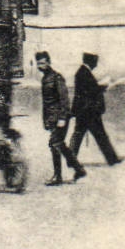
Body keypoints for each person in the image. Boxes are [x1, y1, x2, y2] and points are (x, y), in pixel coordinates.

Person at [36, 51, 86, 186]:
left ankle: (60, 176)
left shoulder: (57, 77)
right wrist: (46, 121)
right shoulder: (45, 78)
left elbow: (64, 99)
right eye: (38, 63)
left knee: (55, 144)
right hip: (52, 118)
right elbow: (46, 104)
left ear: (48, 62)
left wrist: (62, 118)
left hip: (60, 118)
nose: (40, 66)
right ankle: (77, 170)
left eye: (42, 63)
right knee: (58, 145)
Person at [69, 52, 123, 166]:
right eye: (95, 61)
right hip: (89, 112)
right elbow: (90, 91)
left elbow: (87, 91)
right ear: (91, 61)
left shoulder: (82, 72)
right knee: (99, 136)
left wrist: (99, 87)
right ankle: (112, 159)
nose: (96, 64)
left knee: (79, 135)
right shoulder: (84, 73)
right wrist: (102, 86)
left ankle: (71, 160)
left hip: (84, 111)